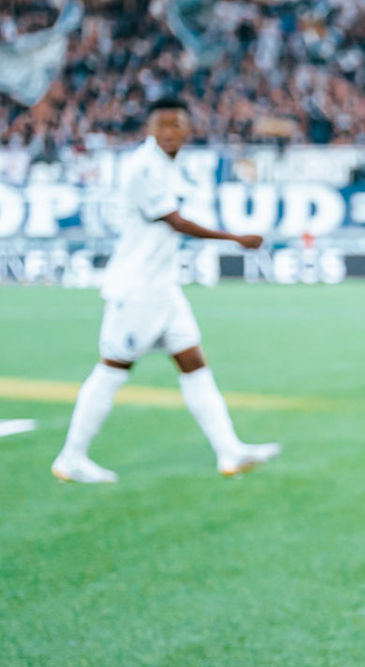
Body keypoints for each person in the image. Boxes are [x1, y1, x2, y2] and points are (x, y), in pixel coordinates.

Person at [51, 98, 283, 484]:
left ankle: (229, 450)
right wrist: (235, 237)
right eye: (164, 125)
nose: (171, 131)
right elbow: (173, 221)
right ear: (150, 128)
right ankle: (71, 457)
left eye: (178, 124)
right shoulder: (145, 167)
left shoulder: (164, 165)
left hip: (162, 288)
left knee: (194, 364)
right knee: (112, 368)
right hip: (138, 288)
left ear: (188, 129)